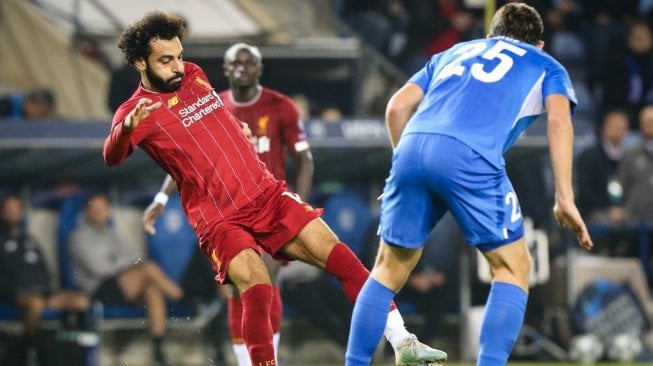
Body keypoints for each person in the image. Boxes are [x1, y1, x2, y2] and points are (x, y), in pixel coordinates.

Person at [103, 11, 446, 366]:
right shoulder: (135, 112)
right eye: (165, 60)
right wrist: (127, 127)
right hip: (220, 219)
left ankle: (403, 341)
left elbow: (214, 115)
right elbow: (111, 155)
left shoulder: (193, 75)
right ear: (140, 62)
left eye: (178, 55)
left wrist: (238, 127)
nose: (177, 66)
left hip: (266, 194)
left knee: (344, 260)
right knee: (258, 286)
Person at [345, 3, 593, 366]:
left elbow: (396, 108)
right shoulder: (546, 65)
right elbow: (559, 121)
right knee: (512, 267)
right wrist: (565, 196)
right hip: (470, 156)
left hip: (412, 146)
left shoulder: (455, 51)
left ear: (491, 36)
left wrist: (403, 167)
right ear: (540, 44)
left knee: (387, 269)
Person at [143, 42, 314, 365]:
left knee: (267, 276)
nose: (242, 67)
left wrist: (298, 205)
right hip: (227, 212)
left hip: (270, 207)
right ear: (225, 69)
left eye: (249, 62)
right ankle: (244, 358)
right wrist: (162, 196)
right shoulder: (211, 105)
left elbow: (304, 159)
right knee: (239, 288)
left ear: (259, 69)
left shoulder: (281, 107)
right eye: (235, 62)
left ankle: (268, 357)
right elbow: (185, 160)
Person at [68, 192, 183, 366]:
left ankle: (158, 350)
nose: (100, 212)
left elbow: (134, 257)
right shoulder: (78, 237)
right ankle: (181, 297)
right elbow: (101, 269)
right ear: (87, 212)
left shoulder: (112, 233)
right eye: (95, 209)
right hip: (98, 289)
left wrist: (114, 260)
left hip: (123, 287)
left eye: (103, 208)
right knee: (148, 269)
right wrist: (122, 264)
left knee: (152, 290)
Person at [0, 193, 89, 363]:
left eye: (16, 208)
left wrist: (47, 289)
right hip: (14, 294)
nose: (13, 212)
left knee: (81, 301)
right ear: (1, 212)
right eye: (8, 209)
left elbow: (44, 269)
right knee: (36, 303)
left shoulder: (28, 239)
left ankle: (74, 351)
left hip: (42, 292)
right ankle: (28, 351)